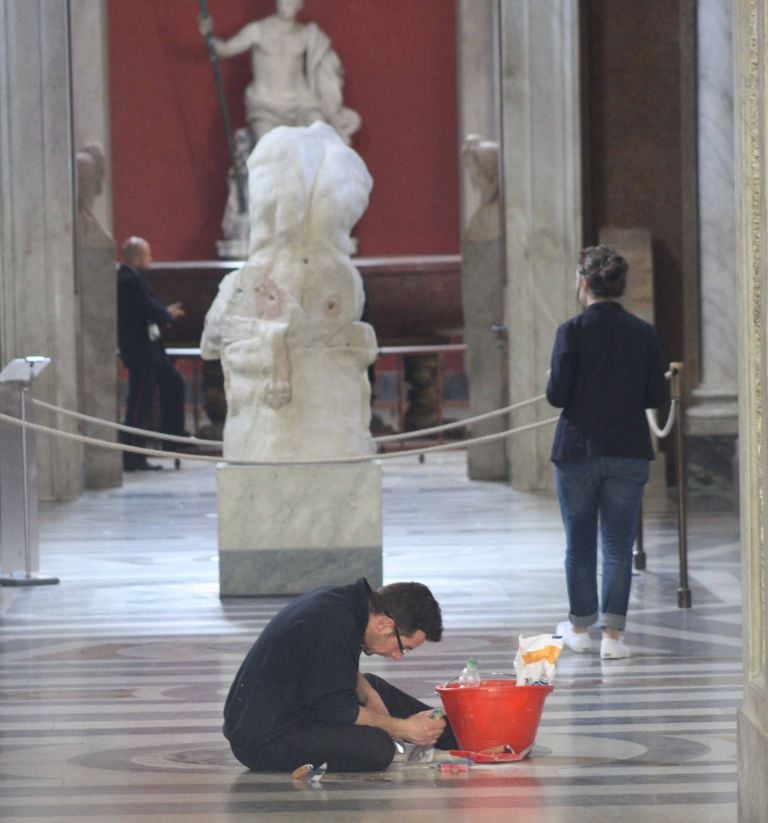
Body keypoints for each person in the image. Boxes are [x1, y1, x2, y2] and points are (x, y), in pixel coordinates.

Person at [546, 245, 669, 660]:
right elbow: (657, 394)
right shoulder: (643, 332)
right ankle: (613, 637)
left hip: (577, 447)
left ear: (584, 284)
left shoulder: (571, 331)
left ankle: (580, 628)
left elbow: (556, 396)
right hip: (629, 448)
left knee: (579, 543)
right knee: (618, 544)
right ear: (622, 287)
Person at [223, 577, 457, 772]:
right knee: (376, 747)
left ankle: (463, 737)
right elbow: (338, 710)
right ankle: (419, 730)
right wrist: (403, 728)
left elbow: (329, 666)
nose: (397, 656)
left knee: (373, 687)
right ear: (385, 624)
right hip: (265, 740)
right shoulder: (333, 626)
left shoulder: (345, 605)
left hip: (295, 708)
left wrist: (368, 695)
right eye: (401, 647)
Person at [200, 0, 360, 145]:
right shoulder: (259, 30)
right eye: (283, 1)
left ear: (300, 5)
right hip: (266, 106)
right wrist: (209, 37)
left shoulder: (308, 36)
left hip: (302, 103)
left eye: (291, 2)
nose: (286, 5)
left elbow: (325, 66)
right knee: (270, 149)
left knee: (323, 137)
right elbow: (226, 49)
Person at [117, 237, 186, 472]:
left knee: (173, 384)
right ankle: (133, 456)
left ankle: (172, 440)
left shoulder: (134, 279)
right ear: (136, 258)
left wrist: (163, 314)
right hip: (141, 353)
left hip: (151, 351)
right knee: (139, 403)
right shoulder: (128, 280)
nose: (151, 259)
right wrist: (166, 315)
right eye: (147, 255)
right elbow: (147, 308)